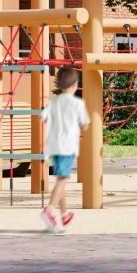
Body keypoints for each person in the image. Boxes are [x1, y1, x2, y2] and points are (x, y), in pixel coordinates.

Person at [40, 67, 90, 233]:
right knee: (62, 180)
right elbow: (85, 124)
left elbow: (43, 117)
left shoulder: (53, 101)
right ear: (76, 85)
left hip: (53, 145)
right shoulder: (77, 103)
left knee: (60, 180)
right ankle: (49, 210)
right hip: (67, 146)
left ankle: (64, 214)